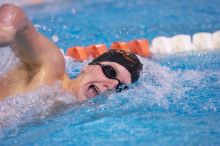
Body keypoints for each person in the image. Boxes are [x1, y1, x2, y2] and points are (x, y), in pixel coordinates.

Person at [0, 4, 142, 101]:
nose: (111, 85)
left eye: (120, 87)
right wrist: (5, 31)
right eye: (110, 71)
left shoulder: (64, 110)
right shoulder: (52, 67)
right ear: (88, 66)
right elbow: (13, 13)